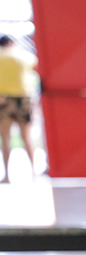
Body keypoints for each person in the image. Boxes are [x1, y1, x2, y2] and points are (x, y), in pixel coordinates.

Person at [0, 35, 38, 182]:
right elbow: (34, 65)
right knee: (26, 137)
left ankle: (7, 176)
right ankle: (34, 173)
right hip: (22, 98)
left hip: (3, 100)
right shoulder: (22, 56)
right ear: (11, 43)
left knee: (5, 138)